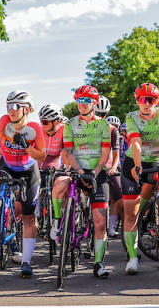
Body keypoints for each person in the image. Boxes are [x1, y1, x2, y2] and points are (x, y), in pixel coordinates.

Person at [121, 82, 159, 275]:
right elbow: (137, 143)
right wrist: (138, 166)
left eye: (151, 100)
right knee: (132, 213)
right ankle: (132, 257)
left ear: (156, 101)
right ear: (137, 101)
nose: (146, 104)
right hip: (135, 162)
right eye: (142, 100)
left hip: (156, 160)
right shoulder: (131, 117)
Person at [51, 85, 113, 278]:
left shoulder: (104, 126)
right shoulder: (70, 124)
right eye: (79, 100)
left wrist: (94, 172)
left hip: (97, 172)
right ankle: (57, 221)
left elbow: (105, 154)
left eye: (86, 101)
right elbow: (67, 152)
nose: (82, 104)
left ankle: (98, 263)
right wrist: (78, 170)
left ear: (94, 103)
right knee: (60, 184)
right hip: (76, 168)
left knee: (100, 221)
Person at [0, 90, 45, 278]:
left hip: (28, 170)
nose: (10, 110)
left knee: (28, 217)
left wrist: (27, 146)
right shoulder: (4, 121)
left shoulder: (35, 127)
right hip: (8, 165)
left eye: (15, 106)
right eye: (8, 106)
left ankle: (26, 261)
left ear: (26, 109)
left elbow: (42, 156)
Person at [95, 102, 123, 239]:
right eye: (97, 114)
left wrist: (113, 167)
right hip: (91, 167)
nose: (99, 117)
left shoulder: (112, 130)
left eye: (102, 115)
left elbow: (116, 153)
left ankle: (111, 226)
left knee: (117, 197)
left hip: (109, 166)